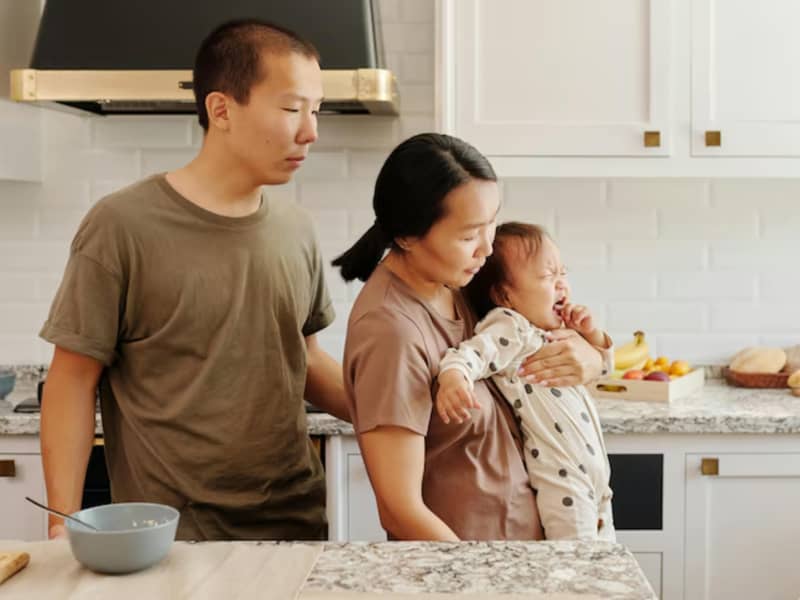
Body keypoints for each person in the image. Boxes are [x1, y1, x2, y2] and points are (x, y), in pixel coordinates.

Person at [39, 19, 349, 541]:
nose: (311, 131)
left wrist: (407, 415)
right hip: (170, 539)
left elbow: (306, 359)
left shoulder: (296, 227)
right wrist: (60, 523)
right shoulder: (121, 225)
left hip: (295, 528)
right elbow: (71, 381)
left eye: (316, 110)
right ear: (221, 110)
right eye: (292, 109)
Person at [332, 133, 612, 541]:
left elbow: (531, 336)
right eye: (468, 236)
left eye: (491, 223)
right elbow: (399, 511)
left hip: (526, 554)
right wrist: (476, 571)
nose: (487, 249)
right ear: (407, 236)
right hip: (474, 563)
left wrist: (592, 358)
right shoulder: (391, 332)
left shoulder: (456, 281)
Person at [436, 222, 615, 541]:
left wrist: (592, 335)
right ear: (504, 295)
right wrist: (453, 377)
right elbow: (471, 354)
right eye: (547, 276)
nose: (561, 284)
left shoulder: (555, 332)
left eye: (563, 273)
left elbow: (604, 369)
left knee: (602, 564)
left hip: (597, 481)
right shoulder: (511, 327)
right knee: (575, 567)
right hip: (565, 483)